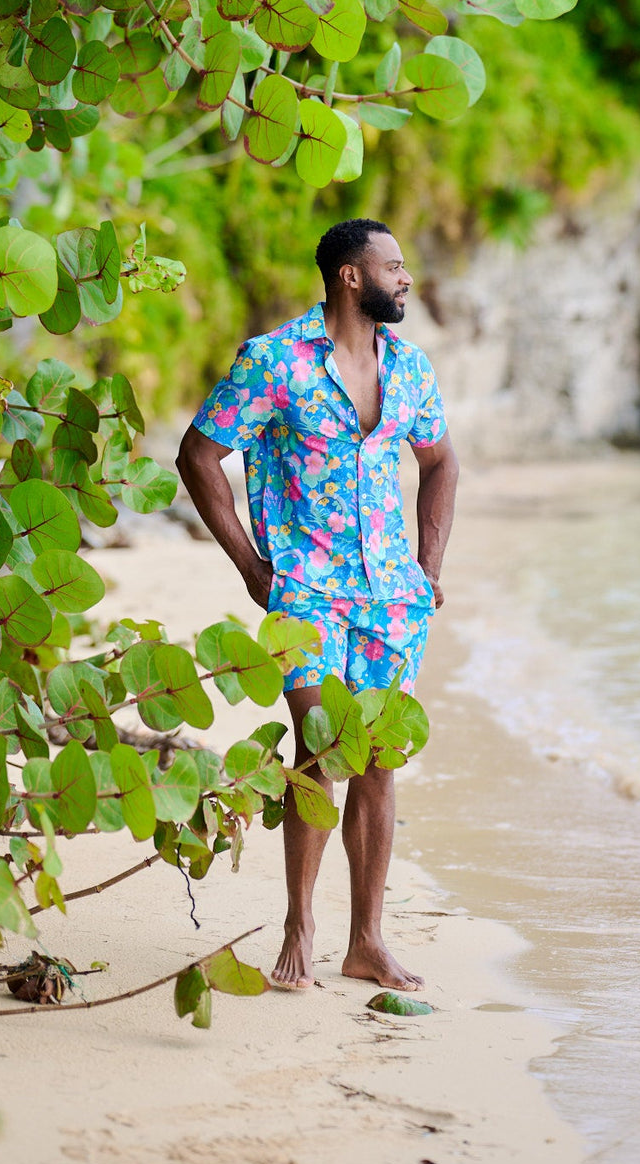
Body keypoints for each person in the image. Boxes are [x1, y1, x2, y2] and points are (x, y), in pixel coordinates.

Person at [176, 218, 459, 992]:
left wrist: (427, 565)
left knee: (377, 758)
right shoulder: (274, 361)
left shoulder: (408, 369)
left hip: (391, 600)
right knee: (321, 744)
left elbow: (439, 462)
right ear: (350, 277)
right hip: (305, 592)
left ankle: (365, 940)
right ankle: (300, 926)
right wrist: (247, 565)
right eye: (392, 266)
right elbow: (199, 453)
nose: (405, 278)